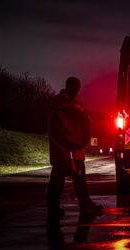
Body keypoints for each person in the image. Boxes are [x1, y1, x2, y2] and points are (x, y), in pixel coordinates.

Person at [46, 76, 102, 226]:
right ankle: (53, 208)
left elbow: (85, 125)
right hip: (61, 151)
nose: (77, 89)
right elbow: (54, 126)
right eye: (75, 86)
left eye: (78, 86)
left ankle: (85, 205)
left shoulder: (79, 104)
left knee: (80, 181)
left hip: (77, 151)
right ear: (68, 86)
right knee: (57, 182)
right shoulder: (56, 102)